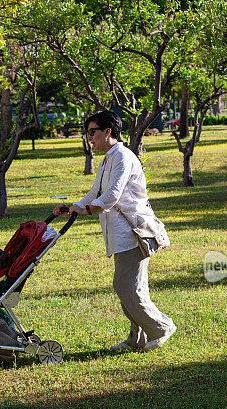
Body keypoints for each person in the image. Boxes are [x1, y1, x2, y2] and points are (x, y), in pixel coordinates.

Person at [53, 110, 176, 352]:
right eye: (87, 133)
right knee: (131, 287)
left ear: (108, 132)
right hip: (120, 234)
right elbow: (95, 193)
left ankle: (161, 326)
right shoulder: (108, 158)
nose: (89, 137)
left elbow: (110, 197)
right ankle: (137, 338)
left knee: (126, 286)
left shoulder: (123, 157)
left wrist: (86, 210)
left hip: (134, 232)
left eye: (92, 132)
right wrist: (72, 208)